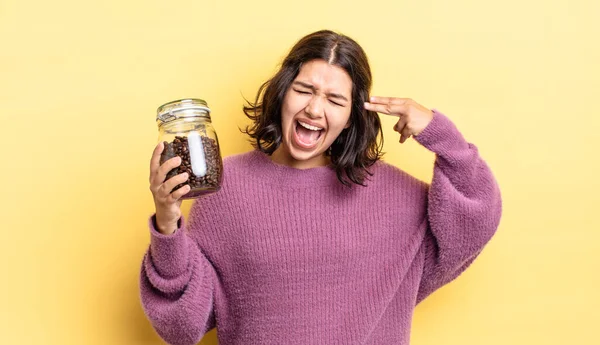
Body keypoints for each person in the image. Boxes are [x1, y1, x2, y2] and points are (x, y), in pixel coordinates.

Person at [141, 30, 502, 345]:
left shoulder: (394, 194)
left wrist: (441, 135)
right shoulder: (226, 188)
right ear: (283, 94)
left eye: (334, 100)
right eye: (304, 90)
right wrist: (168, 221)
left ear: (348, 120)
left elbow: (475, 220)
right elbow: (181, 326)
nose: (315, 109)